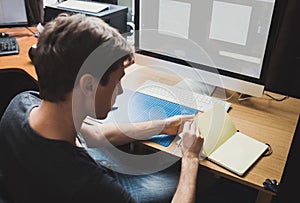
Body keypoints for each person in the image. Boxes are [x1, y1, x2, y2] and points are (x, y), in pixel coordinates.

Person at [0, 14, 203, 203]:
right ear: (88, 85)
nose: (121, 91)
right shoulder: (85, 184)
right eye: (117, 81)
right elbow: (86, 178)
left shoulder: (21, 103)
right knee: (177, 180)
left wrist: (163, 125)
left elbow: (94, 133)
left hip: (39, 185)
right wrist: (190, 158)